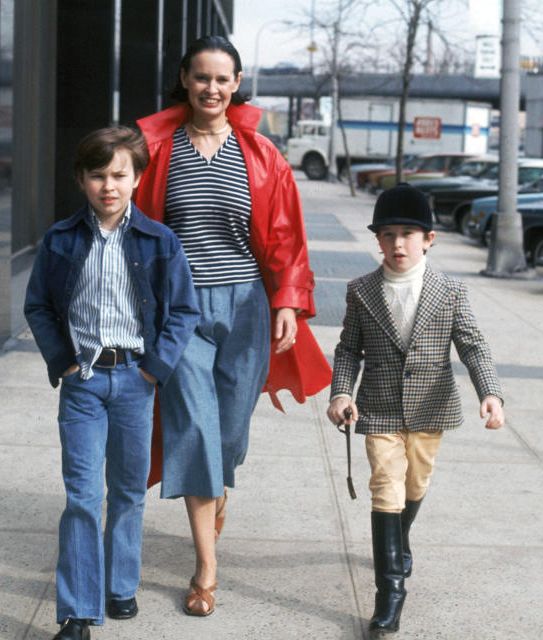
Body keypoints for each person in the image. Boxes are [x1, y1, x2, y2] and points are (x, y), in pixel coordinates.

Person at [134, 35, 332, 617]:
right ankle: (205, 568)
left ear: (237, 83)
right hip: (180, 310)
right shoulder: (157, 148)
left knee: (229, 437)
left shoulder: (263, 155)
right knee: (192, 427)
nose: (212, 89)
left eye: (223, 79)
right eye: (202, 78)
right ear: (185, 80)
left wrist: (289, 304)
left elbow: (286, 238)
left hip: (247, 307)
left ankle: (215, 492)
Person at [24, 126, 199, 640]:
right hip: (83, 381)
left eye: (119, 174)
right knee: (82, 495)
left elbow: (183, 310)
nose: (108, 185)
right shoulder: (60, 240)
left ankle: (121, 585)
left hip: (135, 381)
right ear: (81, 180)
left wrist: (154, 369)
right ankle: (78, 612)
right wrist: (62, 362)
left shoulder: (159, 241)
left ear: (137, 179)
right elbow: (37, 305)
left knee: (126, 490)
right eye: (97, 175)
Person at [326, 183, 505, 635]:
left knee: (415, 483)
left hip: (431, 408)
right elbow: (348, 350)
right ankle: (390, 594)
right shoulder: (361, 290)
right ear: (378, 241)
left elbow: (474, 345)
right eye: (388, 234)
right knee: (385, 486)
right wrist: (340, 393)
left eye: (408, 233)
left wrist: (491, 393)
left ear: (429, 239)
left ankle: (398, 540)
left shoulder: (450, 291)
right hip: (379, 409)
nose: (397, 243)